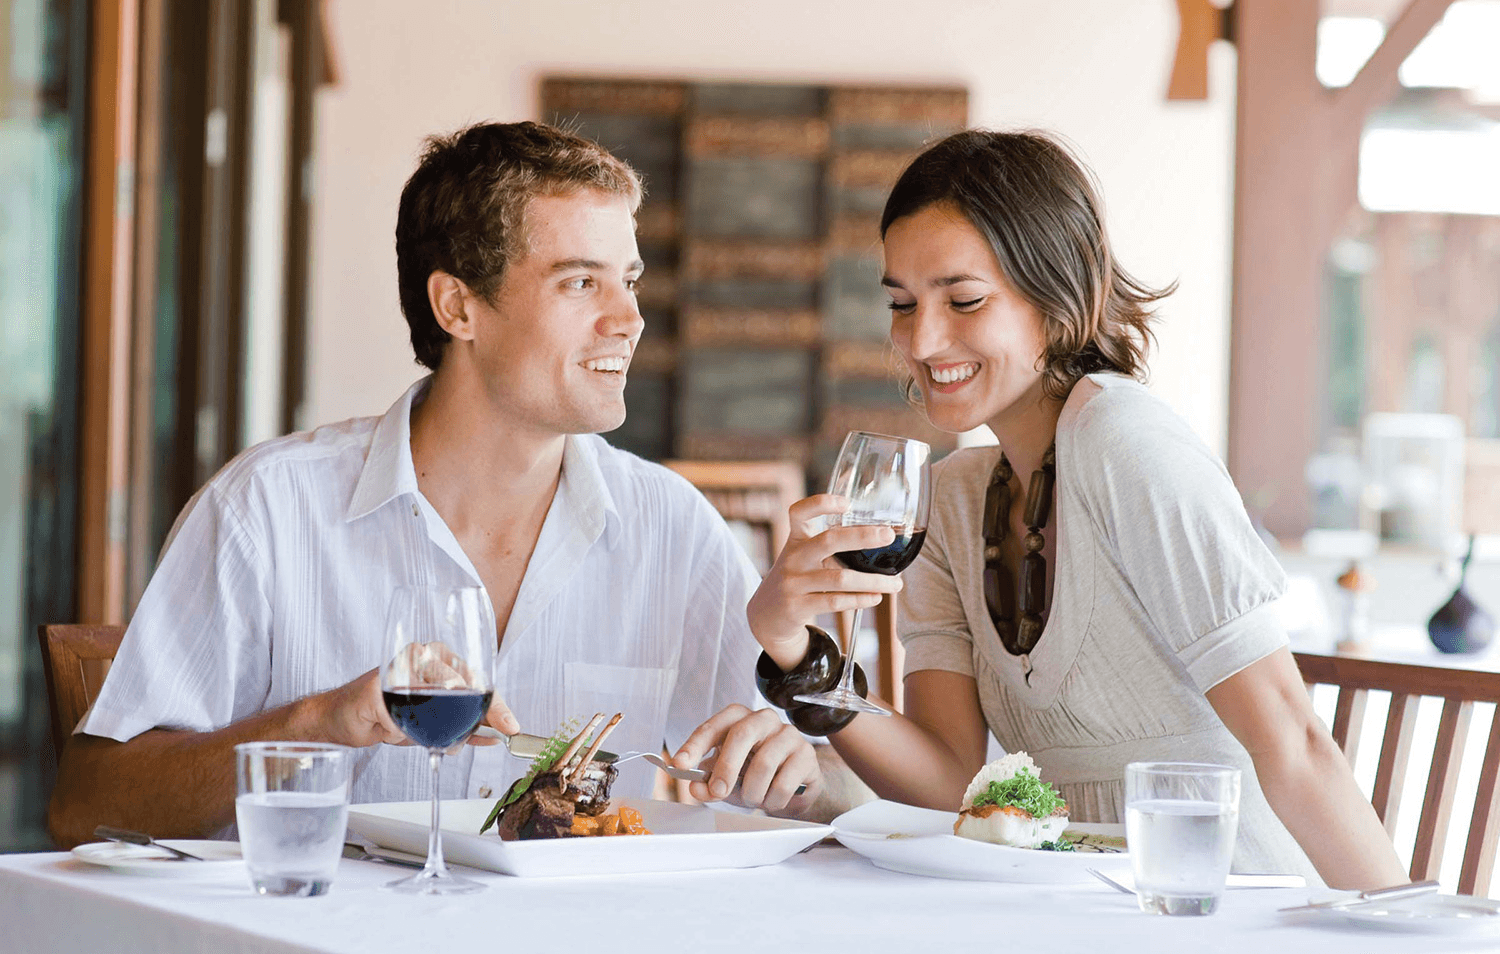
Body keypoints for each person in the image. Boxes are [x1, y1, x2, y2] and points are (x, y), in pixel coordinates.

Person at [48, 121, 842, 847]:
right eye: (579, 282)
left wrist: (796, 773)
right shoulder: (267, 509)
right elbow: (87, 806)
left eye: (628, 279)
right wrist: (321, 723)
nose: (629, 318)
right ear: (458, 305)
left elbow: (829, 790)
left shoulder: (672, 528)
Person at [739, 129, 1406, 889]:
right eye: (901, 303)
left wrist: (1412, 934)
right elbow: (949, 779)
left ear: (1056, 295)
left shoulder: (1127, 442)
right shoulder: (951, 502)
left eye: (963, 300)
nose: (922, 340)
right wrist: (791, 648)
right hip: (1068, 910)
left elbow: (1294, 740)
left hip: (1223, 903)